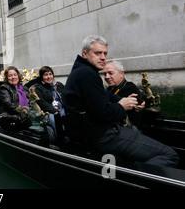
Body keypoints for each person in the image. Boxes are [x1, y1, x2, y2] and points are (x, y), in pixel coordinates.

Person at [63, 35, 179, 167]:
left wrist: (126, 101)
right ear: (85, 53)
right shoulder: (87, 74)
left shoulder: (81, 71)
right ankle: (136, 179)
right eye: (98, 53)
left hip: (92, 134)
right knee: (169, 155)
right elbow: (104, 113)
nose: (103, 57)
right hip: (102, 136)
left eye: (105, 53)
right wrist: (122, 106)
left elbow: (105, 97)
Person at [104, 60, 144, 127]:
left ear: (121, 73)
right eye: (105, 74)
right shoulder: (110, 89)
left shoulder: (130, 89)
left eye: (110, 73)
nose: (106, 77)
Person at [31, 66, 65, 142]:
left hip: (62, 109)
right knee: (55, 120)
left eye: (50, 74)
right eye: (46, 75)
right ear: (42, 77)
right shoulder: (38, 88)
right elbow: (43, 103)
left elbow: (67, 97)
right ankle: (61, 142)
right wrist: (55, 111)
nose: (49, 77)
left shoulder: (59, 85)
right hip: (49, 113)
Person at [0, 66, 32, 131]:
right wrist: (22, 112)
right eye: (10, 75)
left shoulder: (24, 89)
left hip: (25, 115)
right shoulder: (4, 88)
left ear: (18, 76)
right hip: (9, 116)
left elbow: (31, 102)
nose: (13, 77)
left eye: (15, 75)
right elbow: (8, 104)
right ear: (7, 78)